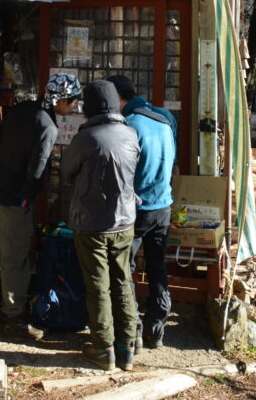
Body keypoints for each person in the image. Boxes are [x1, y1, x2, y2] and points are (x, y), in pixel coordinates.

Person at [0, 73, 82, 334]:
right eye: (72, 102)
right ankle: (13, 315)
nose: (73, 107)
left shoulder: (20, 109)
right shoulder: (48, 126)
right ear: (62, 100)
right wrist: (28, 197)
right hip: (14, 197)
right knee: (14, 256)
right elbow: (37, 169)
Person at [61, 80, 141, 371]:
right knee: (123, 281)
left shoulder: (87, 137)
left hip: (91, 223)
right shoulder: (131, 134)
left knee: (98, 286)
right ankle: (127, 347)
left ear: (90, 106)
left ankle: (103, 348)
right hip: (125, 221)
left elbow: (67, 171)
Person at [107, 75, 176, 350]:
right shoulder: (164, 118)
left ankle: (131, 328)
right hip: (164, 205)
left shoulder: (129, 126)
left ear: (118, 99)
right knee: (158, 267)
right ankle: (156, 330)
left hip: (136, 209)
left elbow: (122, 175)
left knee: (126, 269)